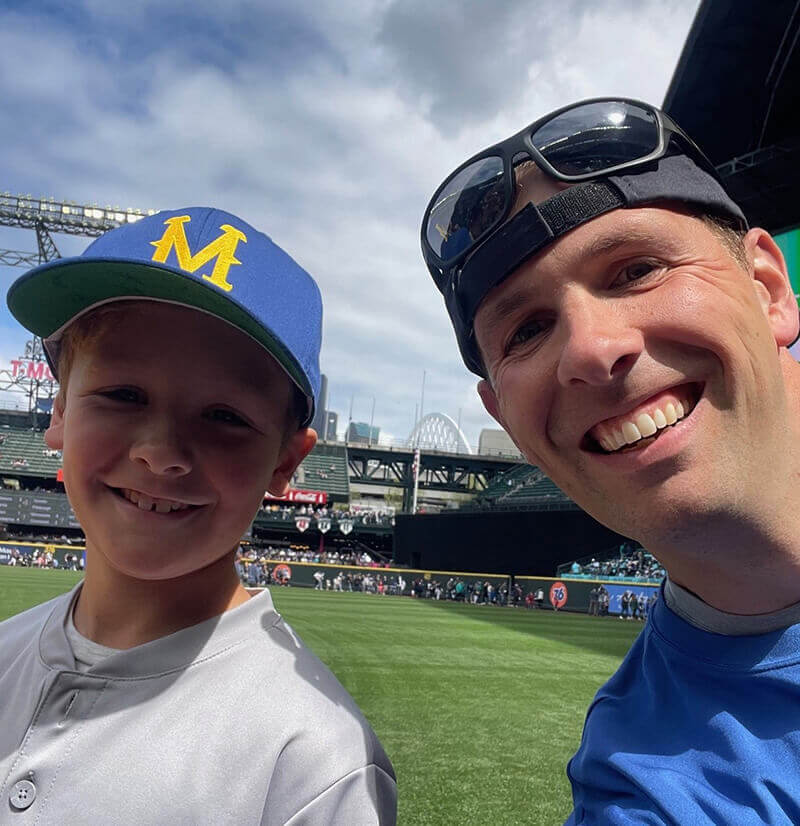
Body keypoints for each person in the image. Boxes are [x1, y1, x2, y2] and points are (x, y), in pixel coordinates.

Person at [421, 97, 800, 823]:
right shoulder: (647, 789)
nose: (593, 351)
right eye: (528, 329)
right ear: (507, 420)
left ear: (768, 289)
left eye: (636, 270)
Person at [0, 207, 396, 823]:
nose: (158, 454)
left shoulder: (316, 764)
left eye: (225, 418)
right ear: (57, 414)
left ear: (285, 464)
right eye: (122, 395)